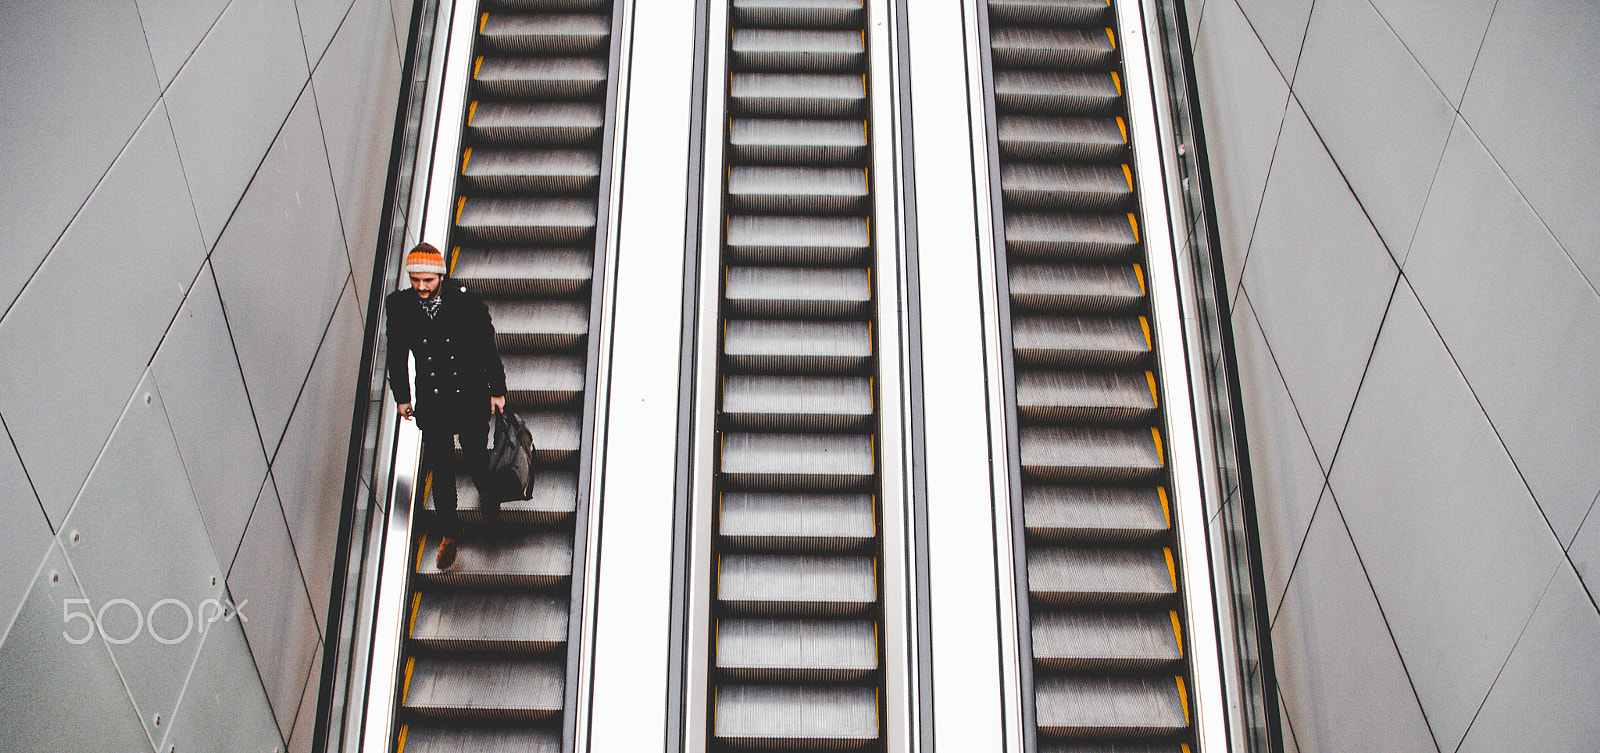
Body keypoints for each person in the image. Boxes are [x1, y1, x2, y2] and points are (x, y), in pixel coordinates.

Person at [385, 243, 507, 569]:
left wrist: (497, 389)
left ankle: (487, 492)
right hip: (433, 401)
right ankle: (450, 533)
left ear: (440, 275)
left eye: (427, 280)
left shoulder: (466, 301)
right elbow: (396, 354)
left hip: (469, 396)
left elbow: (486, 347)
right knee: (441, 471)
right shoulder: (399, 306)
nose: (421, 287)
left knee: (476, 456)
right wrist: (402, 396)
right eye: (415, 280)